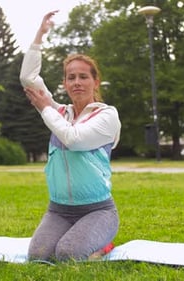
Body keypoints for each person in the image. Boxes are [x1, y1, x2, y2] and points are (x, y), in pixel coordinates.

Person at [19, 10, 121, 262]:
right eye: (71, 77)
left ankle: (105, 244)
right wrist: (40, 35)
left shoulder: (107, 116)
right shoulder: (60, 112)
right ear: (65, 83)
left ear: (95, 82)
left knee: (68, 254)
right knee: (39, 256)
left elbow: (74, 140)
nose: (77, 82)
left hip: (98, 210)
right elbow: (27, 78)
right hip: (59, 210)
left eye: (84, 77)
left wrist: (44, 108)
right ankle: (76, 237)